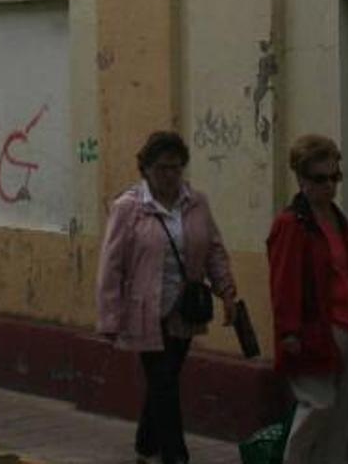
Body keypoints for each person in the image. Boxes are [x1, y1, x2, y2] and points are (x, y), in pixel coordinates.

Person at [96, 130, 238, 464]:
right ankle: (176, 456)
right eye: (162, 168)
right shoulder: (128, 208)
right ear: (145, 169)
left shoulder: (196, 203)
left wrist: (227, 292)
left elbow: (214, 250)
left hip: (184, 310)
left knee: (166, 380)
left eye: (176, 168)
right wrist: (109, 318)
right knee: (164, 383)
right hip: (145, 312)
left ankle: (146, 445)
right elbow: (111, 266)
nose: (170, 176)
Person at [268, 134, 348, 464]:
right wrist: (289, 332)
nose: (329, 186)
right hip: (315, 330)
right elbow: (284, 282)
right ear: (302, 179)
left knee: (341, 415)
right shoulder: (292, 224)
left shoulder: (336, 219)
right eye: (320, 178)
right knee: (318, 404)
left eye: (335, 177)